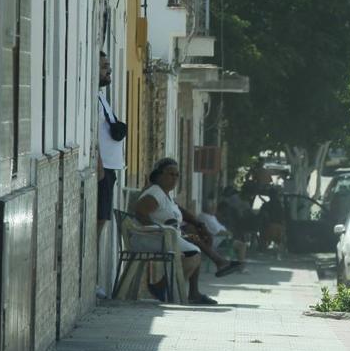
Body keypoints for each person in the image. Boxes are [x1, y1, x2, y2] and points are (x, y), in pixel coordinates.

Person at [132, 158, 236, 305]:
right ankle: (165, 287)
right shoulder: (154, 193)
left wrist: (199, 223)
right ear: (158, 175)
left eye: (177, 175)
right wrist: (161, 230)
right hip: (149, 238)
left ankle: (187, 290)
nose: (174, 178)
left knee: (194, 240)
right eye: (170, 174)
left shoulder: (165, 194)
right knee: (194, 251)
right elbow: (140, 214)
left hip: (167, 236)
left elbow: (180, 211)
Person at [96, 52, 125, 298]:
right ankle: (94, 281)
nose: (109, 71)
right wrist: (97, 162)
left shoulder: (101, 98)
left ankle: (95, 278)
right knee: (99, 223)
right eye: (104, 67)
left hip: (110, 169)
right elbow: (92, 131)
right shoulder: (93, 99)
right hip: (101, 169)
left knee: (102, 222)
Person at [200, 201, 247, 265]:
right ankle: (241, 267)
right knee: (242, 245)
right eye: (212, 207)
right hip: (217, 240)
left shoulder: (210, 216)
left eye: (215, 207)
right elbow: (217, 232)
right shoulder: (206, 218)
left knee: (238, 242)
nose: (215, 209)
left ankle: (235, 263)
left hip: (222, 239)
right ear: (207, 208)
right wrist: (228, 233)